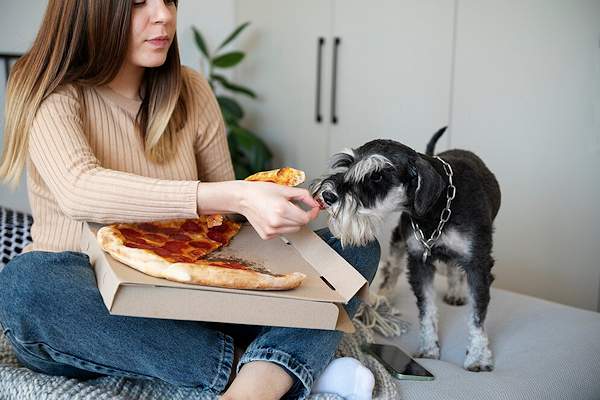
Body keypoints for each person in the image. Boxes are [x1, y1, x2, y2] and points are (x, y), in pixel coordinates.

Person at [0, 1, 380, 399]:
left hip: (191, 300)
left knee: (357, 247)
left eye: (168, 0)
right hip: (90, 309)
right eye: (137, 4)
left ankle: (255, 374)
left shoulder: (192, 90)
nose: (163, 15)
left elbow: (229, 222)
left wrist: (277, 212)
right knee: (25, 287)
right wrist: (233, 193)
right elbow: (80, 189)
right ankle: (261, 373)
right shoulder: (52, 91)